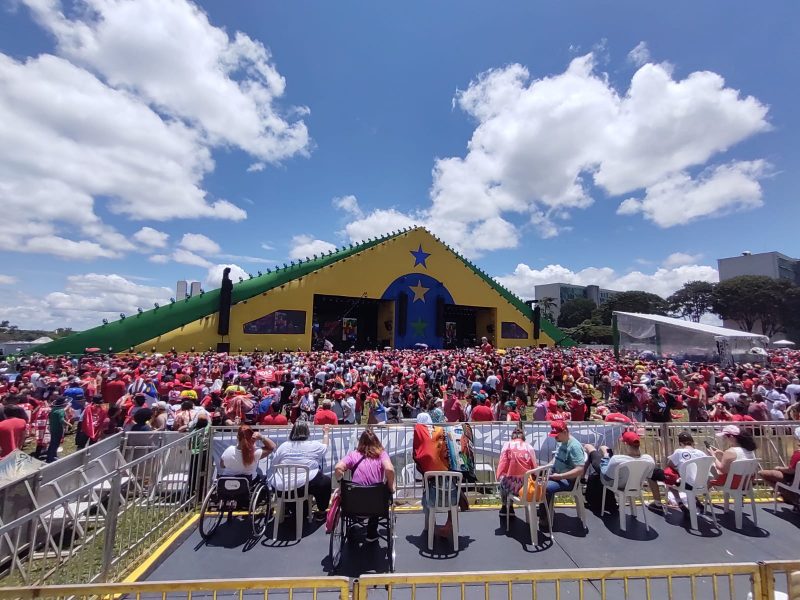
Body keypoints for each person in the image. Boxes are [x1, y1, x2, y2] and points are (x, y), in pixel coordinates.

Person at [334, 429, 396, 542]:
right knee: (378, 496)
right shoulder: (382, 454)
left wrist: (340, 482)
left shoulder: (353, 455)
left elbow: (338, 467)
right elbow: (389, 469)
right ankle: (372, 533)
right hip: (375, 504)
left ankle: (353, 525)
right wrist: (391, 487)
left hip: (354, 503)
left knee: (353, 495)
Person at [271, 422, 332, 520]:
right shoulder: (314, 445)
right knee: (325, 482)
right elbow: (325, 447)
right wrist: (326, 433)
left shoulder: (284, 446)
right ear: (307, 432)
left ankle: (287, 507)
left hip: (281, 488)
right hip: (304, 486)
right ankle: (322, 511)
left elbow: (274, 463)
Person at [647, 431, 708, 514]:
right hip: (702, 484)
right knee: (689, 477)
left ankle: (672, 503)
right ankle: (694, 500)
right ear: (692, 442)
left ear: (680, 443)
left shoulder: (679, 452)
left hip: (685, 484)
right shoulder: (701, 453)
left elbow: (669, 465)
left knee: (665, 477)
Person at [584, 431, 654, 489]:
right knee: (601, 450)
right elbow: (649, 476)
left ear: (625, 444)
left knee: (590, 448)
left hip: (615, 484)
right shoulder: (649, 459)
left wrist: (606, 456)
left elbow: (607, 477)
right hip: (635, 485)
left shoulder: (617, 459)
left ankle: (582, 478)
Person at [496, 427, 538, 516]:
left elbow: (502, 463)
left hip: (510, 486)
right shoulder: (528, 446)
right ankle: (511, 507)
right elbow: (534, 466)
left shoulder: (507, 445)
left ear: (512, 436)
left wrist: (499, 476)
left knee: (504, 480)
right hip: (525, 486)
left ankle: (505, 506)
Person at [759, 425, 800, 510]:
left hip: (795, 481)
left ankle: (791, 497)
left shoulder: (798, 454)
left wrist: (779, 468)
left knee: (762, 473)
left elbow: (791, 470)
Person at [545, 421, 585, 502]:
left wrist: (561, 476)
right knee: (535, 482)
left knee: (544, 488)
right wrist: (545, 468)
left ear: (565, 432)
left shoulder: (574, 446)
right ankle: (544, 511)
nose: (555, 438)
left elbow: (580, 470)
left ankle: (545, 514)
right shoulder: (561, 442)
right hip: (556, 475)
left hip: (568, 480)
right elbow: (556, 459)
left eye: (557, 436)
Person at [46, 396, 69, 463]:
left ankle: (50, 456)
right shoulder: (61, 411)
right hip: (58, 429)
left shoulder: (53, 409)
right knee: (56, 444)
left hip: (52, 428)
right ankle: (52, 457)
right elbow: (61, 420)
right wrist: (68, 424)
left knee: (52, 443)